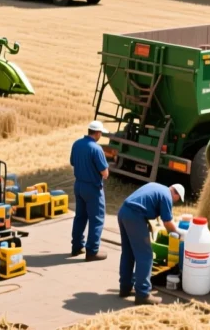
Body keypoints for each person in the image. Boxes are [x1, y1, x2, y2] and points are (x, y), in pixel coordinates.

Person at [117, 182, 184, 305]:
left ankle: (125, 287)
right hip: (134, 216)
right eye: (177, 200)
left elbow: (144, 204)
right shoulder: (167, 196)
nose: (175, 202)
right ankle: (143, 294)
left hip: (123, 212)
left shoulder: (157, 187)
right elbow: (168, 223)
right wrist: (180, 233)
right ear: (176, 194)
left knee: (128, 253)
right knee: (146, 256)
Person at [70, 121, 109, 261]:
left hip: (78, 186)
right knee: (96, 219)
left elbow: (73, 162)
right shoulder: (96, 149)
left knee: (80, 217)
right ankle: (92, 251)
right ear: (97, 133)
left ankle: (76, 247)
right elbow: (105, 173)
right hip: (92, 188)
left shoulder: (76, 144)